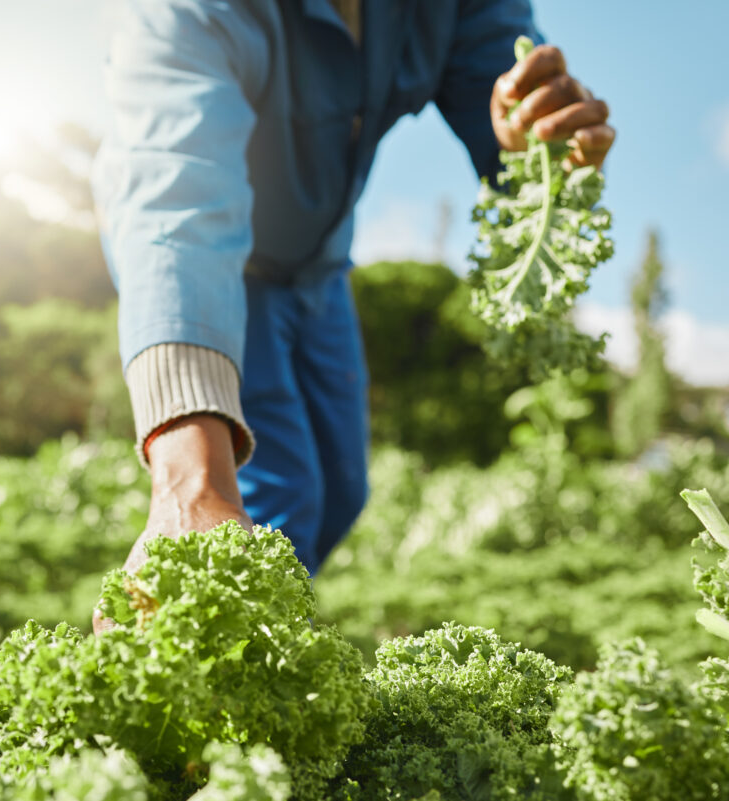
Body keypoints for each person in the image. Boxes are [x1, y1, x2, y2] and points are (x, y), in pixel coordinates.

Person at [91, 1, 614, 598]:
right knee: (277, 496)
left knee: (340, 491)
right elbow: (174, 195)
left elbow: (499, 86)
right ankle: (219, 661)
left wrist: (537, 135)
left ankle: (254, 637)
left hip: (319, 263)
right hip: (209, 262)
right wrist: (190, 481)